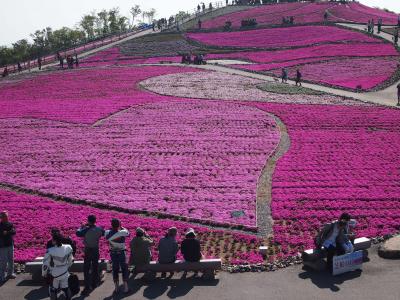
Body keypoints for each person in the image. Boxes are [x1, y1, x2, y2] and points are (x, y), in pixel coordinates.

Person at [76, 215, 105, 296]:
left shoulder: (85, 229)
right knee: (95, 267)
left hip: (88, 250)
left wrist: (81, 227)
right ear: (95, 221)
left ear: (88, 221)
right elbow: (103, 233)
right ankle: (94, 283)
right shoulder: (99, 229)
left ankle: (87, 287)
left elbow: (78, 233)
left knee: (86, 268)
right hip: (96, 250)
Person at [42, 233, 73, 300]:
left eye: (52, 239)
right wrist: (67, 267)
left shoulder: (50, 250)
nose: (51, 241)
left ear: (55, 241)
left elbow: (45, 265)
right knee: (65, 287)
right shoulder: (68, 247)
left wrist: (44, 273)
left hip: (55, 272)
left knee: (53, 289)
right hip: (65, 271)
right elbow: (71, 260)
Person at [105, 219, 129, 294]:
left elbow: (107, 234)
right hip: (121, 252)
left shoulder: (107, 233)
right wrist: (121, 227)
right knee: (124, 269)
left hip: (113, 253)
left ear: (111, 225)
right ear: (119, 225)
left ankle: (116, 288)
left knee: (115, 269)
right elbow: (128, 233)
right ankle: (125, 287)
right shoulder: (122, 232)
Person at [0, 211, 16, 283]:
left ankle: (10, 273)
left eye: (7, 216)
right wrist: (8, 232)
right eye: (5, 217)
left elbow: (14, 232)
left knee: (11, 260)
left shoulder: (10, 224)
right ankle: (2, 276)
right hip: (3, 246)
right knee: (4, 262)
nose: (7, 218)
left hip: (10, 244)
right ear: (1, 218)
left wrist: (7, 232)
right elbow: (2, 234)